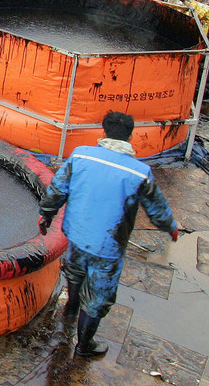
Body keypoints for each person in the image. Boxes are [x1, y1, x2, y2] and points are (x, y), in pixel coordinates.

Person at [38, 111, 178, 357]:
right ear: (130, 136)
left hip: (77, 234)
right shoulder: (139, 172)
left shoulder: (80, 155)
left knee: (75, 270)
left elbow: (58, 189)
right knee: (99, 294)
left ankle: (71, 308)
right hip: (108, 246)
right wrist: (171, 227)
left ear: (103, 132)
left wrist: (47, 214)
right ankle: (83, 346)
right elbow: (157, 207)